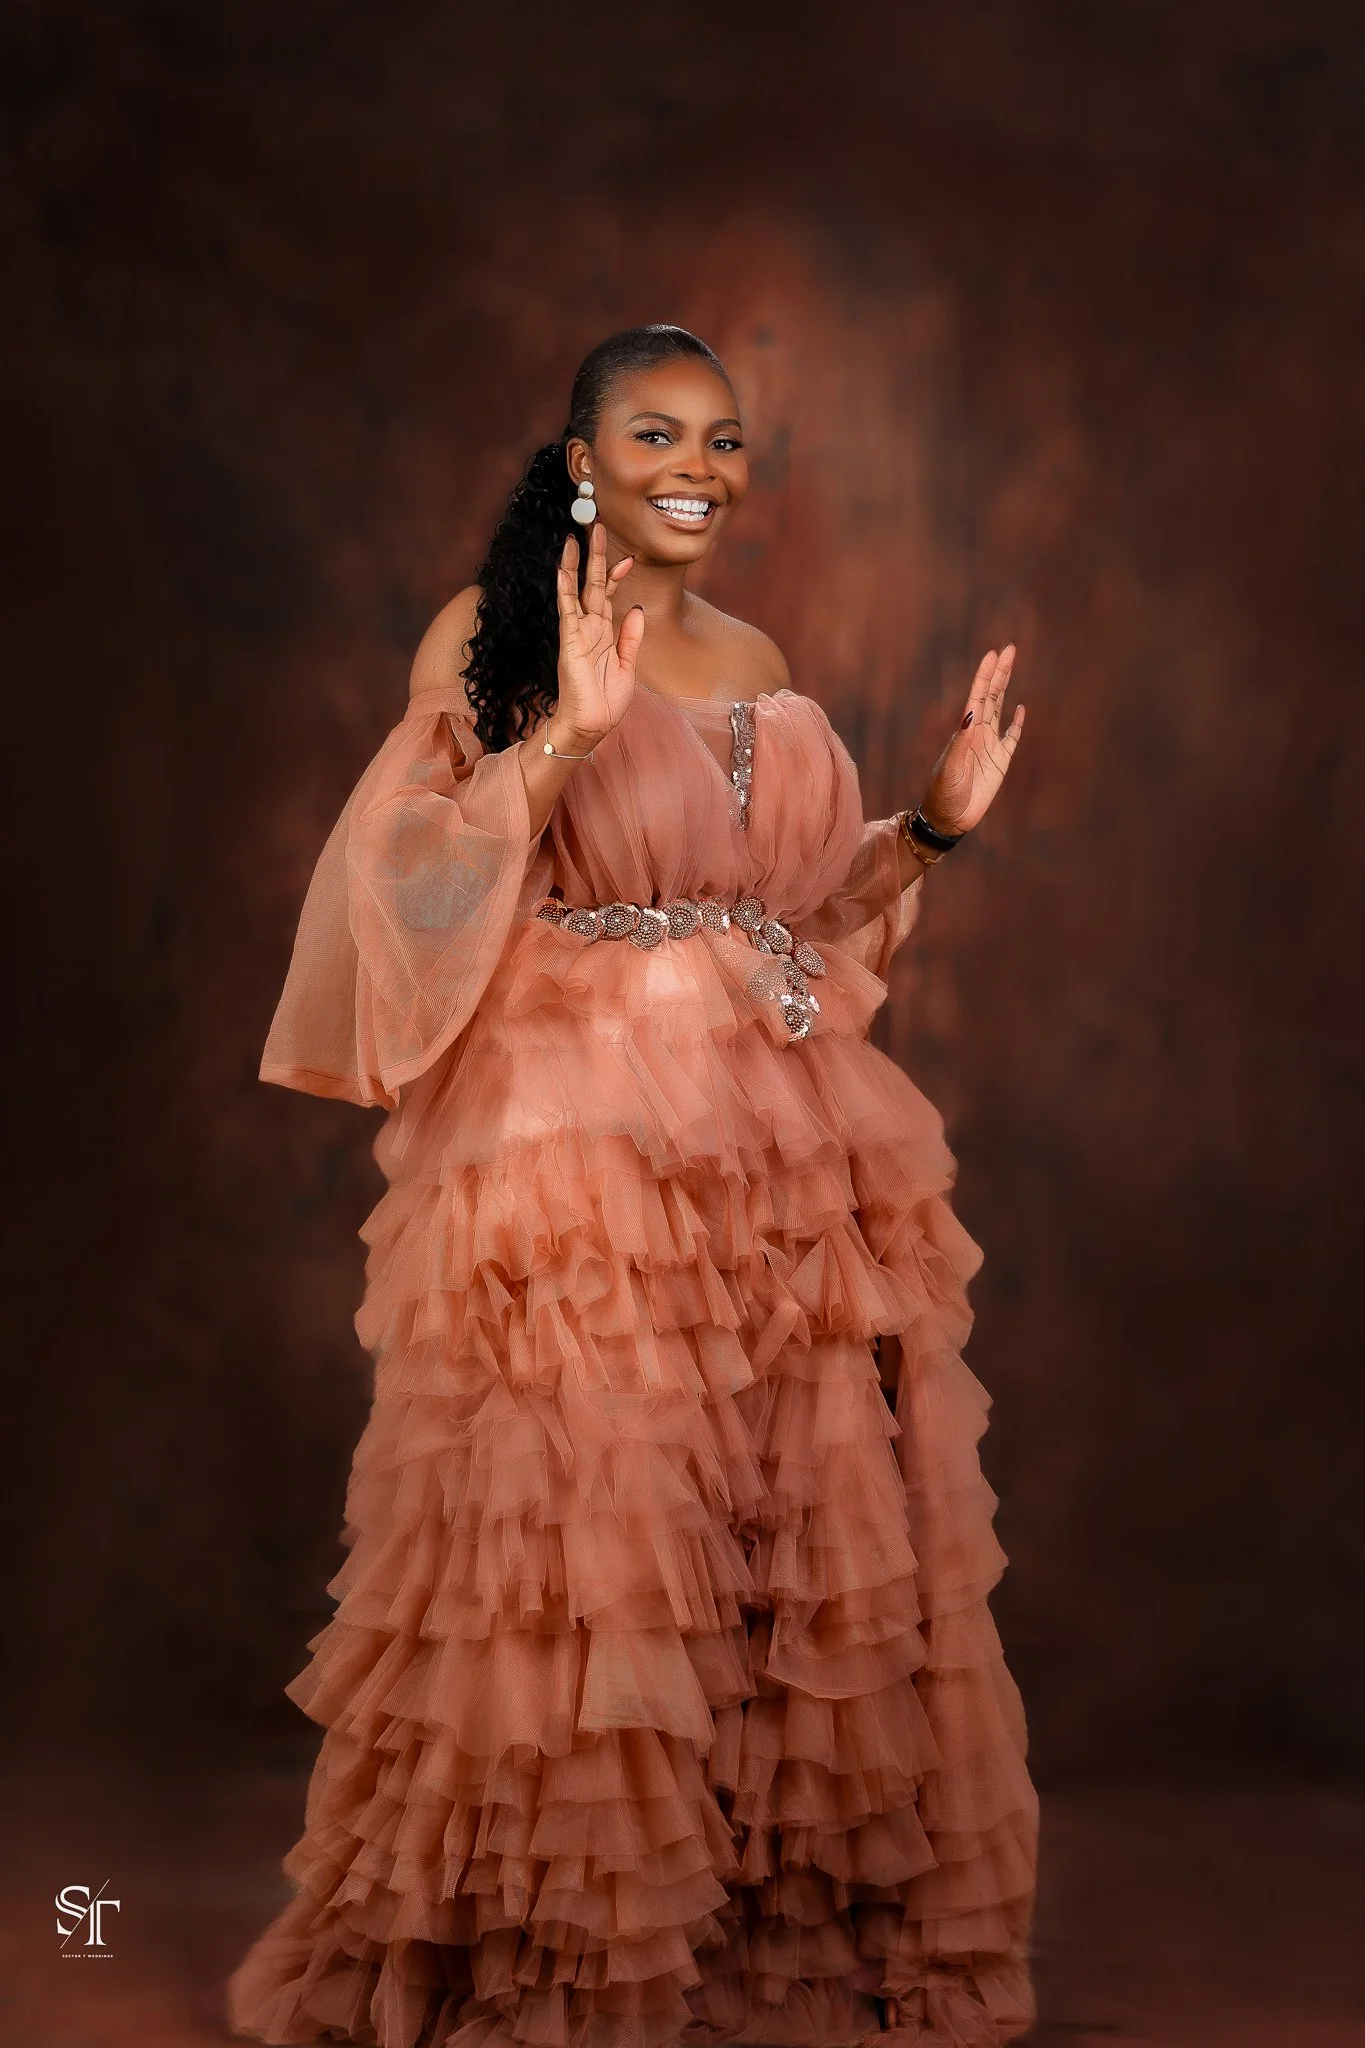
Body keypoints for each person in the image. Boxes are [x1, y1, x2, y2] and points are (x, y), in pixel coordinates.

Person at [225, 323, 1037, 2048]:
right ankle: (553, 1960)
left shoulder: (756, 650)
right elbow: (413, 888)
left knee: (777, 1541)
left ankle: (748, 1946)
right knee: (594, 1546)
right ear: (584, 459)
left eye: (726, 440)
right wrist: (566, 744)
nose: (700, 466)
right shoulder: (495, 632)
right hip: (581, 1149)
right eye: (658, 433)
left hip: (782, 1156)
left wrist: (937, 828)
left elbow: (799, 922)